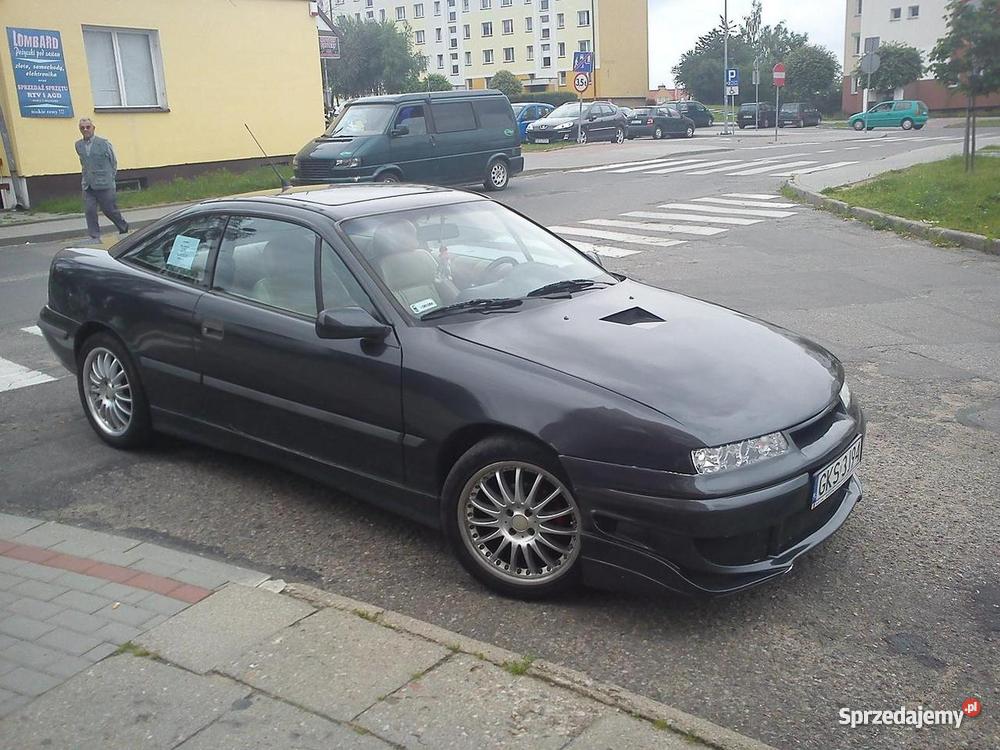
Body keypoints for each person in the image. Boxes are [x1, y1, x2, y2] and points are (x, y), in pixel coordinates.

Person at [75, 118, 128, 240]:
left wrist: (110, 178)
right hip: (88, 185)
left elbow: (113, 161)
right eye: (82, 128)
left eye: (88, 127)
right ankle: (94, 236)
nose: (85, 130)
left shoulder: (104, 143)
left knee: (109, 210)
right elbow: (84, 163)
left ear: (93, 128)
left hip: (105, 184)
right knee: (89, 210)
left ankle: (123, 226)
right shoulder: (78, 145)